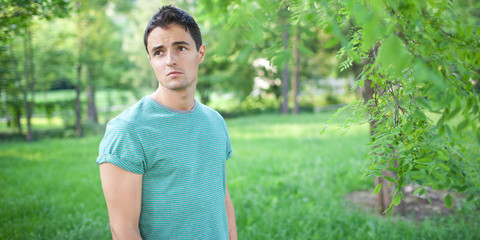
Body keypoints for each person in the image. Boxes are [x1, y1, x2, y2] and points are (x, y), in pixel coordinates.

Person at [96, 5, 237, 240]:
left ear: (200, 53)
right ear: (150, 60)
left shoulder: (215, 121)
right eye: (159, 52)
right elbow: (123, 231)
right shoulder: (127, 130)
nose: (170, 60)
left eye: (180, 48)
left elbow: (221, 198)